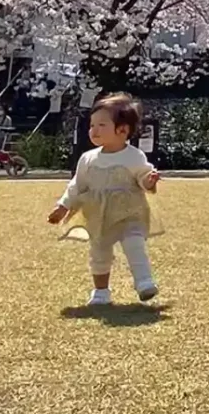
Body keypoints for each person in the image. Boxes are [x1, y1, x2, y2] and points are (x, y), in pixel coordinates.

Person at [47, 93, 163, 306]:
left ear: (123, 130)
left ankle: (144, 281)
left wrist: (150, 181)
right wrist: (63, 205)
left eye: (102, 124)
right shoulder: (88, 158)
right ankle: (101, 291)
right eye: (92, 125)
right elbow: (77, 185)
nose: (94, 130)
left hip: (129, 211)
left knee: (134, 241)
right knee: (99, 252)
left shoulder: (134, 156)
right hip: (98, 214)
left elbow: (144, 178)